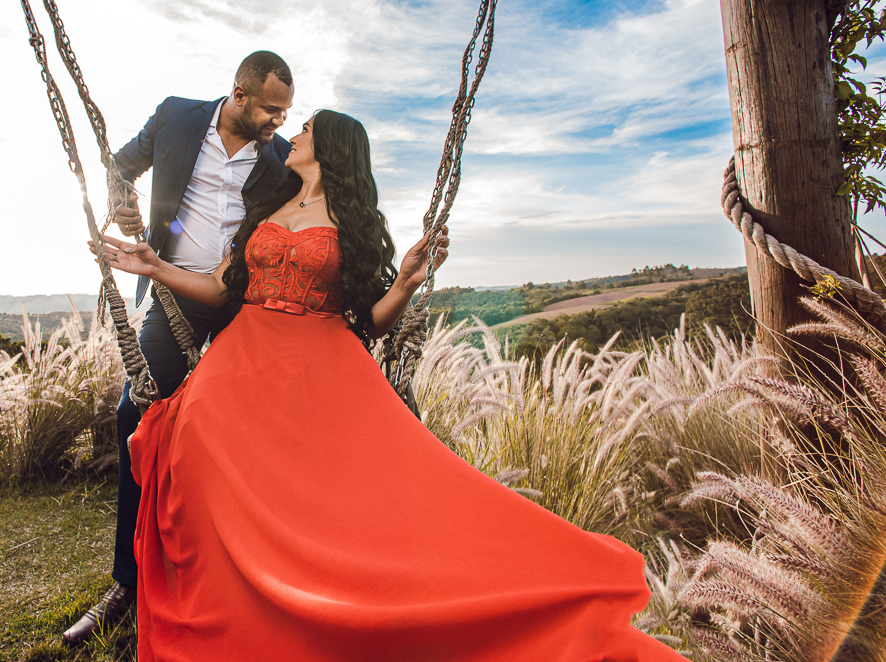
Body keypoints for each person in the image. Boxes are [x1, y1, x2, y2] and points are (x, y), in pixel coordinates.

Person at [95, 109, 687, 661]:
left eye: (304, 130)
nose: (292, 137)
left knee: (373, 490)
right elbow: (225, 288)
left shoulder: (352, 226)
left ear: (328, 148)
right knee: (197, 437)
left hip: (321, 361)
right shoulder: (267, 206)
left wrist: (403, 282)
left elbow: (369, 323)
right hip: (244, 355)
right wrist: (154, 267)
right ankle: (231, 584)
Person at [61, 51, 295, 645]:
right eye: (270, 109)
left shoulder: (281, 158)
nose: (277, 121)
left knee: (241, 438)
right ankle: (127, 583)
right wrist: (121, 200)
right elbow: (119, 166)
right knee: (135, 416)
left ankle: (235, 580)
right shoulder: (176, 117)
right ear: (239, 93)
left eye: (285, 112)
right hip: (171, 295)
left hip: (241, 306)